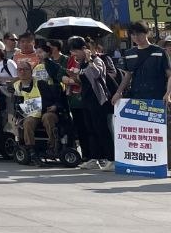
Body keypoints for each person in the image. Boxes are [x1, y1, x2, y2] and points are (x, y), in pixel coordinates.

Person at [67, 36, 114, 169]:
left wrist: (89, 59)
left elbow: (96, 74)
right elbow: (83, 80)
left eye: (75, 51)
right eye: (71, 52)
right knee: (90, 130)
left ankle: (112, 158)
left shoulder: (96, 60)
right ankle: (95, 158)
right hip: (86, 100)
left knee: (102, 129)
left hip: (98, 100)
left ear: (84, 49)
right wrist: (74, 75)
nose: (73, 54)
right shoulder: (80, 63)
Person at [113, 21, 171, 106]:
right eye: (133, 34)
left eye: (139, 34)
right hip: (136, 97)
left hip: (157, 97)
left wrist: (168, 94)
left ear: (147, 33)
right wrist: (118, 92)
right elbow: (127, 76)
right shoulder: (129, 54)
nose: (136, 37)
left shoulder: (160, 52)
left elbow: (170, 75)